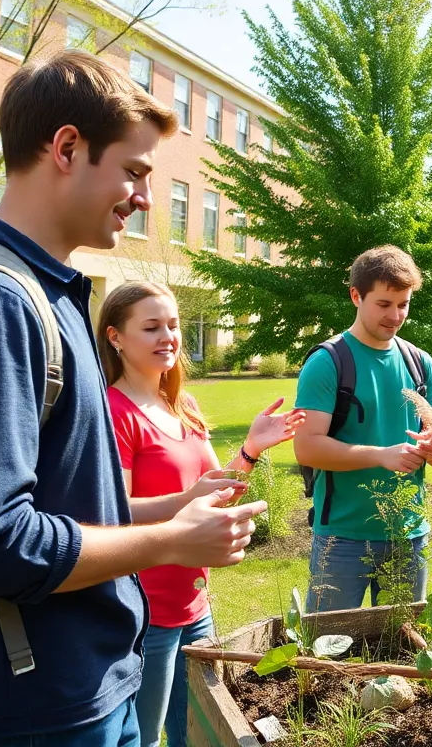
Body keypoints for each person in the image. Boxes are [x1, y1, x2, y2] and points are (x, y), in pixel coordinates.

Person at [0, 51, 268, 747]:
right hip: (26, 714)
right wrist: (169, 541)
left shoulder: (49, 293)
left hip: (91, 688)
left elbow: (64, 501)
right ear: (66, 148)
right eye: (133, 171)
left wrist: (174, 507)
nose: (146, 198)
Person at [97, 282, 305, 747]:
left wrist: (251, 448)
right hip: (145, 609)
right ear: (115, 337)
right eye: (151, 327)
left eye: (172, 325)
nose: (168, 336)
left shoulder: (183, 405)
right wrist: (187, 498)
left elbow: (216, 491)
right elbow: (114, 512)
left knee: (199, 731)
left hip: (195, 603)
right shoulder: (115, 412)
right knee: (144, 736)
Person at [294, 246, 432, 611]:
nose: (396, 316)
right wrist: (381, 456)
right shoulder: (328, 362)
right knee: (328, 654)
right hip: (342, 538)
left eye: (404, 304)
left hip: (408, 536)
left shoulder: (420, 363)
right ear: (355, 295)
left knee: (402, 653)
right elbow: (307, 448)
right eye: (384, 304)